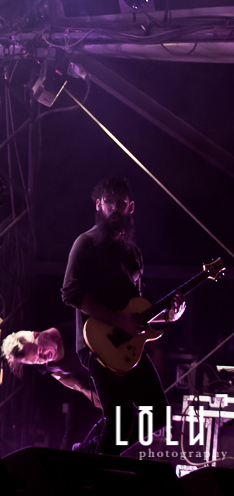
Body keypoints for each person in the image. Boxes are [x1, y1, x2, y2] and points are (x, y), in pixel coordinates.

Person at [60, 176, 183, 454]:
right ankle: (94, 463)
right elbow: (70, 293)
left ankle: (89, 453)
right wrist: (118, 321)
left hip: (129, 347)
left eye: (121, 202)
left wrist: (170, 315)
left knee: (157, 414)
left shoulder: (133, 254)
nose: (115, 207)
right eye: (109, 201)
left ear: (131, 207)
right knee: (120, 418)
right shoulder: (85, 243)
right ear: (98, 205)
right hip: (97, 345)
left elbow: (139, 312)